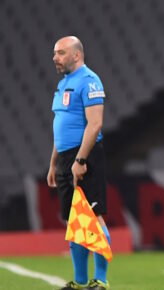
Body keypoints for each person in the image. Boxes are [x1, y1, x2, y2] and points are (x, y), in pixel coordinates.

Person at [47, 36, 111, 290]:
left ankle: (102, 281)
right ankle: (81, 283)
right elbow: (60, 127)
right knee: (75, 221)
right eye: (55, 53)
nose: (55, 58)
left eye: (60, 53)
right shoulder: (64, 84)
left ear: (76, 55)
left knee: (94, 217)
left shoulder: (89, 80)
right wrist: (54, 164)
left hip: (86, 156)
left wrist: (80, 160)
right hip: (65, 159)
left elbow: (95, 124)